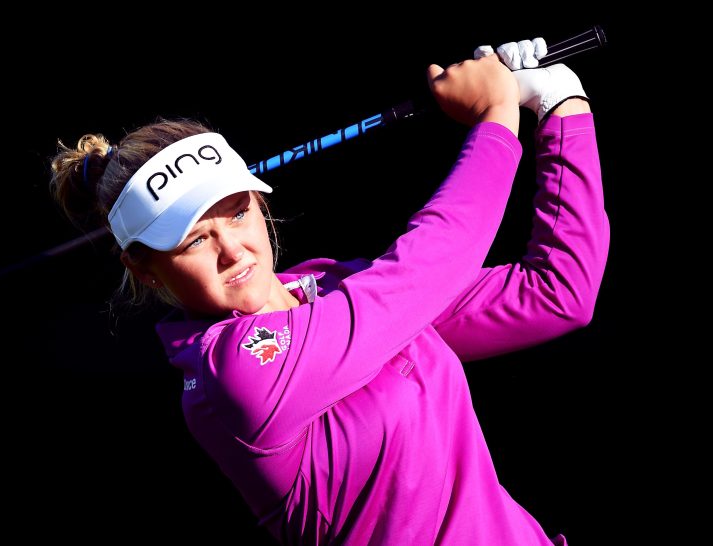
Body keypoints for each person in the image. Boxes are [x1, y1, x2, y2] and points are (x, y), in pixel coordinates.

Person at [49, 38, 607, 546]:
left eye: (238, 212)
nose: (233, 250)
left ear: (259, 204)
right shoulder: (232, 376)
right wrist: (496, 116)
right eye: (195, 239)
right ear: (145, 271)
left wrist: (560, 105)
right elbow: (426, 267)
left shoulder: (334, 287)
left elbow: (556, 291)